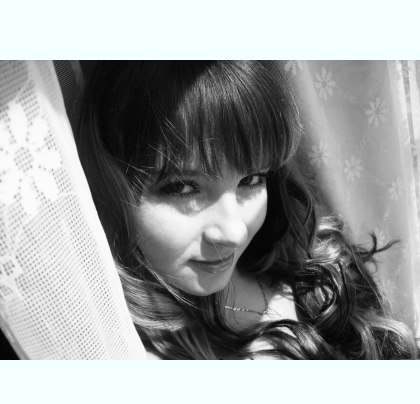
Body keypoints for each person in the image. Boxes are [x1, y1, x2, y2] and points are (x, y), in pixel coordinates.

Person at [76, 61, 418, 359]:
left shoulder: (310, 262)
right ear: (110, 185)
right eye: (182, 188)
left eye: (251, 179)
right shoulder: (122, 350)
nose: (235, 232)